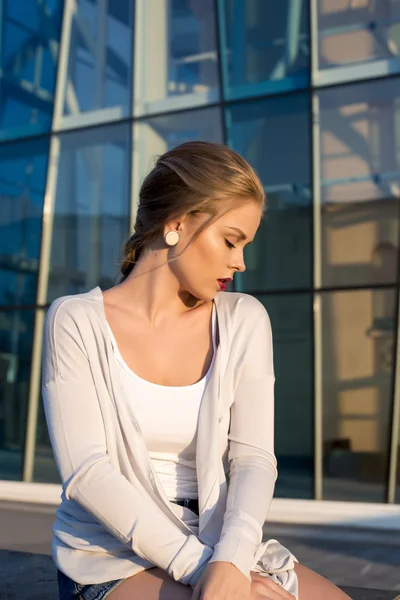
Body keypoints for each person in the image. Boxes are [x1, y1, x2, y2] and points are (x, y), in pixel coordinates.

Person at [42, 141, 351, 600]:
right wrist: (206, 571)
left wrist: (230, 561)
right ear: (177, 223)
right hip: (111, 559)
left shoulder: (244, 318)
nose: (240, 262)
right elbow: (88, 472)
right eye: (230, 240)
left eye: (245, 245)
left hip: (221, 546)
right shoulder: (76, 321)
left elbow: (253, 459)